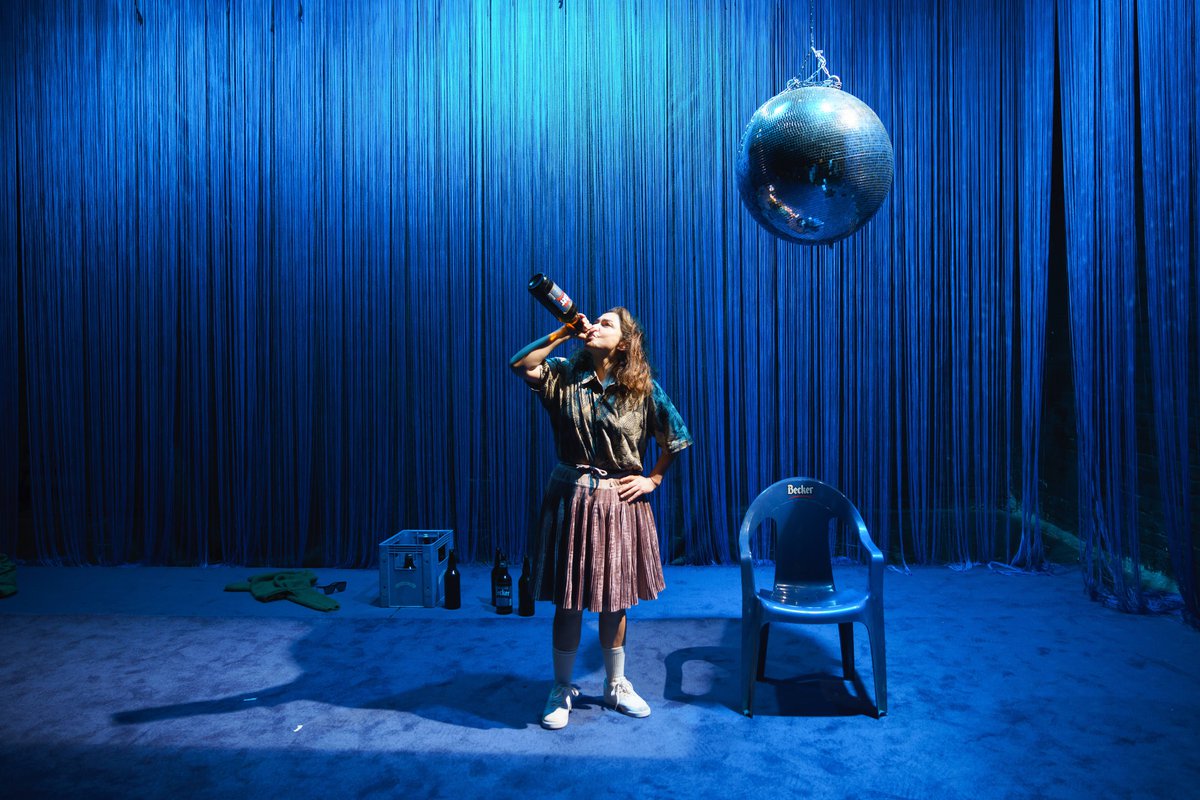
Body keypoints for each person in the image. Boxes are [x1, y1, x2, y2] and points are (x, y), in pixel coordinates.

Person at [509, 307, 692, 730]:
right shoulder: (563, 375)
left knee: (616, 599)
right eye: (596, 321)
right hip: (571, 497)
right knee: (569, 600)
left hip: (620, 503)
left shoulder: (643, 389)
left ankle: (616, 684)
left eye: (607, 324)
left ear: (624, 343)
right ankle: (561, 687)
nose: (595, 325)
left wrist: (653, 479)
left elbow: (677, 437)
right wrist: (562, 332)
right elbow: (520, 365)